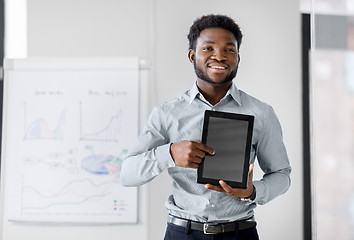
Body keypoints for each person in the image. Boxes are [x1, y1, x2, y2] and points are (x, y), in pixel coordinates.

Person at [120, 14, 291, 240]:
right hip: (182, 233)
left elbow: (281, 175)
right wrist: (169, 153)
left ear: (238, 57)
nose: (219, 56)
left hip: (240, 233)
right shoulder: (166, 113)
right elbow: (127, 174)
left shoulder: (261, 113)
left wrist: (252, 191)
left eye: (229, 50)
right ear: (192, 56)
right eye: (208, 48)